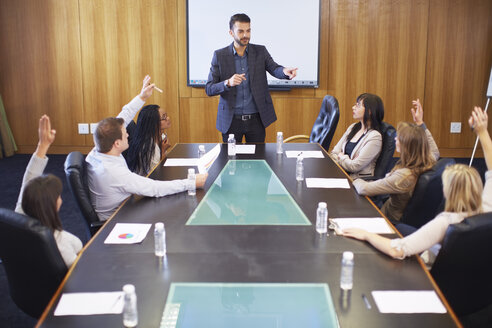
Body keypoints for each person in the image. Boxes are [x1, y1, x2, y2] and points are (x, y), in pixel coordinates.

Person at [342, 106, 492, 268]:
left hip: (426, 269)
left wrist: (366, 235)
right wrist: (482, 132)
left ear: (447, 191)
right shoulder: (487, 208)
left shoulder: (444, 223)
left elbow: (397, 249)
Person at [86, 76, 208, 221]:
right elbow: (155, 188)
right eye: (125, 135)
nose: (128, 134)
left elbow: (125, 114)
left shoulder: (99, 148)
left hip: (126, 204)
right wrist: (191, 183)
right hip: (117, 219)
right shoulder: (115, 173)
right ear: (117, 143)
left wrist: (142, 96)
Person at [205, 13, 298, 143]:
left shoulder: (260, 51)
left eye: (248, 31)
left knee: (258, 159)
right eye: (241, 31)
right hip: (231, 121)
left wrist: (284, 71)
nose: (245, 35)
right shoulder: (220, 55)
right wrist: (228, 83)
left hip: (256, 120)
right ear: (231, 33)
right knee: (231, 161)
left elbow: (274, 68)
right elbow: (209, 88)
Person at [351, 99, 439, 222]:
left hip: (388, 220)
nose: (396, 138)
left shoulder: (403, 177)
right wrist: (420, 123)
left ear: (406, 146)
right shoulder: (428, 160)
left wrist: (353, 179)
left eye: (399, 137)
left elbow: (364, 189)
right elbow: (435, 151)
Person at [15, 115, 82, 268]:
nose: (61, 199)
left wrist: (43, 145)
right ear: (52, 205)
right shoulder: (60, 243)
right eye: (58, 196)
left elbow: (29, 179)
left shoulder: (18, 217)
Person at [330, 93, 384, 178]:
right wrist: (345, 160)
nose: (353, 107)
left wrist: (341, 156)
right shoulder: (352, 127)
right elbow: (333, 153)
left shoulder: (375, 137)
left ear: (369, 111)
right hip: (341, 174)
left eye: (358, 105)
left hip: (357, 181)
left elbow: (354, 166)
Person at [124, 104, 172, 176]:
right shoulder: (147, 145)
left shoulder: (159, 137)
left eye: (166, 115)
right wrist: (163, 150)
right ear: (153, 123)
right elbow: (155, 175)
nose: (168, 118)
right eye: (164, 117)